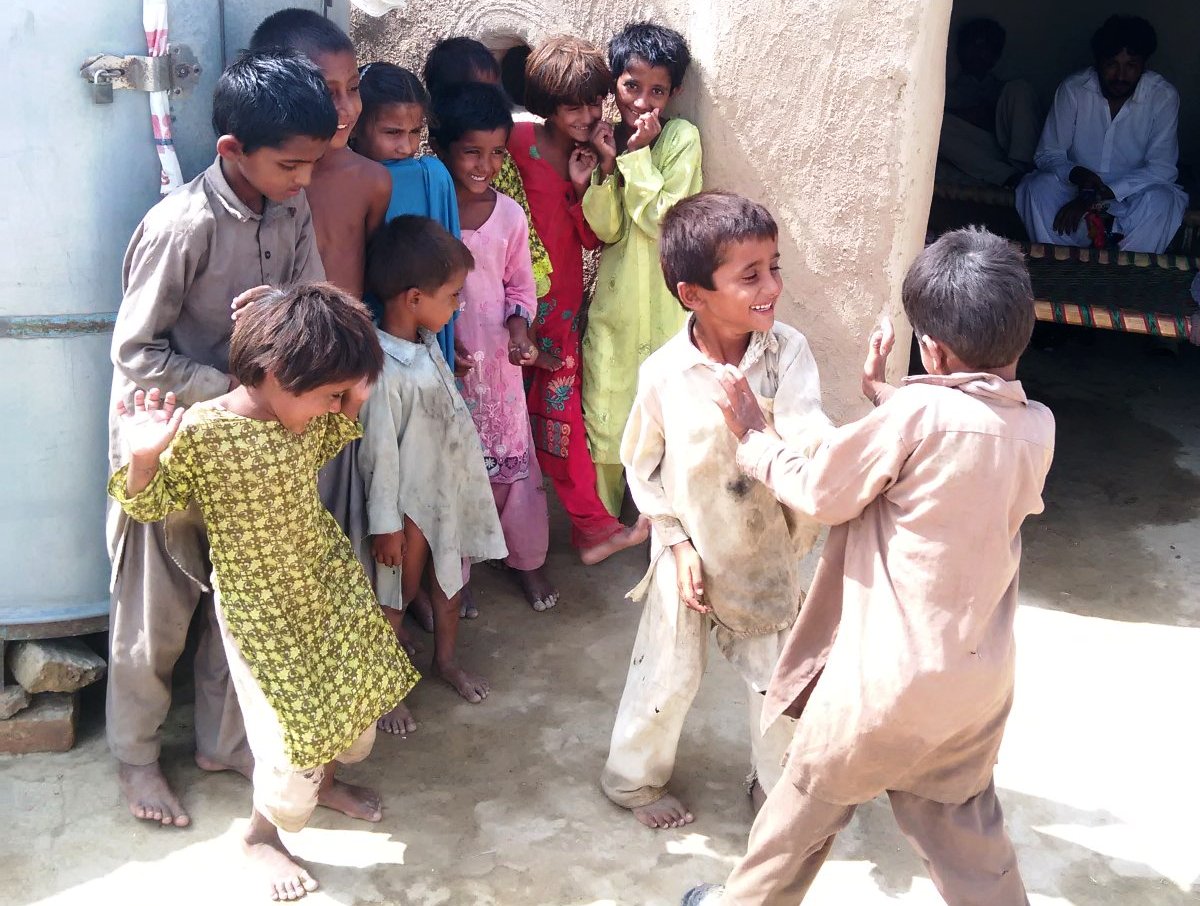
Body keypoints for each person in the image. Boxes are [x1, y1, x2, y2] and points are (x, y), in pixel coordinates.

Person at [683, 227, 1055, 906]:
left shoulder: (918, 413)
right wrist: (890, 395)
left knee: (798, 819)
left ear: (933, 349)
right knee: (971, 845)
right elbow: (961, 444)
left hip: (878, 690)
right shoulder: (1038, 428)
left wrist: (756, 438)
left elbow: (826, 490)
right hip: (972, 690)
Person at [109, 283, 418, 902]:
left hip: (327, 585)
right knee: (290, 733)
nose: (339, 409)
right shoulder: (203, 430)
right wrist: (143, 457)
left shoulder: (304, 419)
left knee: (353, 703)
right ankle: (261, 835)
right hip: (260, 611)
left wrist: (349, 394)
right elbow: (151, 504)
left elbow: (334, 430)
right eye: (332, 394)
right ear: (277, 373)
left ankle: (323, 785)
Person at [106, 51, 333, 829]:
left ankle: (222, 743)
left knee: (236, 602)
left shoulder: (293, 209)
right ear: (232, 150)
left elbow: (312, 297)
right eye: (290, 165)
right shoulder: (181, 227)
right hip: (164, 446)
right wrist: (236, 395)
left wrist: (294, 313)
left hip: (249, 448)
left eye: (313, 164)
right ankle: (136, 757)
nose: (303, 181)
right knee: (155, 609)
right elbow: (137, 354)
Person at [603, 192, 830, 830]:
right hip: (690, 557)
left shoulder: (788, 355)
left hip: (765, 554)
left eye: (775, 267)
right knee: (664, 679)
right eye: (749, 275)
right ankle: (633, 783)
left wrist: (772, 434)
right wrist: (674, 545)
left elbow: (810, 440)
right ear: (692, 294)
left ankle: (775, 791)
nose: (771, 287)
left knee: (777, 688)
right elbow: (642, 466)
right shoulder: (665, 374)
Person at [358, 216, 508, 716]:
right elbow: (379, 454)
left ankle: (446, 662)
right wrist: (386, 528)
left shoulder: (426, 346)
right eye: (452, 295)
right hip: (408, 510)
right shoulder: (382, 369)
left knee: (450, 585)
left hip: (444, 493)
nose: (458, 305)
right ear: (414, 299)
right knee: (395, 599)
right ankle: (387, 692)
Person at [509, 35, 650, 563]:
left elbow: (594, 238)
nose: (589, 113)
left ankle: (592, 529)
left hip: (561, 318)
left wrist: (593, 178)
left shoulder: (587, 153)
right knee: (501, 422)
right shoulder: (515, 142)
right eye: (574, 104)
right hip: (508, 314)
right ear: (545, 105)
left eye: (596, 100)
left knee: (562, 422)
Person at [431, 83, 559, 612]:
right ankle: (455, 579)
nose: (485, 164)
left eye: (497, 152)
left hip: (501, 367)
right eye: (471, 152)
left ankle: (526, 562)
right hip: (447, 362)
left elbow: (520, 286)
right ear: (442, 149)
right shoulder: (432, 212)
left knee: (513, 466)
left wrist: (519, 327)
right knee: (454, 468)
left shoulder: (508, 214)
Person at [582, 21, 703, 515]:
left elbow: (662, 221)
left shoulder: (679, 138)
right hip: (615, 304)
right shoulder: (606, 138)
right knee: (607, 413)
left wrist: (635, 158)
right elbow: (605, 228)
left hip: (662, 307)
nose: (643, 101)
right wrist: (607, 167)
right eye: (633, 86)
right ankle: (609, 522)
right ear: (616, 84)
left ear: (675, 91)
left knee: (665, 418)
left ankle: (662, 526)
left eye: (658, 89)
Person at [249, 9, 391, 300]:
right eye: (327, 92)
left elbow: (375, 281)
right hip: (274, 339)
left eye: (353, 88)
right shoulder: (257, 182)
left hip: (348, 338)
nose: (348, 108)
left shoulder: (372, 182)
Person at [1016, 15, 1187, 254]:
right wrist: (1078, 175)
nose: (1120, 75)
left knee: (1163, 201)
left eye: (1131, 65)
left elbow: (1163, 168)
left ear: (1143, 65)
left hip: (1130, 197)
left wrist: (1100, 194)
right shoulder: (1074, 89)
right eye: (1112, 64)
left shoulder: (1162, 96)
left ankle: (1123, 275)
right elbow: (1047, 154)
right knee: (1036, 188)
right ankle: (1063, 267)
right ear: (1098, 63)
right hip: (1074, 191)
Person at [423, 37, 554, 300]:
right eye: (475, 93)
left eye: (492, 93)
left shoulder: (499, 171)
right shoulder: (430, 184)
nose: (485, 104)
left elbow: (516, 249)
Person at [937, 17, 1041, 189]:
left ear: (996, 54)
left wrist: (991, 114)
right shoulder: (945, 93)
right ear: (960, 49)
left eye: (985, 46)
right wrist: (968, 115)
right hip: (978, 153)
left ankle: (1027, 170)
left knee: (1020, 88)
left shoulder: (1007, 90)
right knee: (933, 126)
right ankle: (1011, 178)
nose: (978, 52)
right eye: (973, 45)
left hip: (1012, 149)